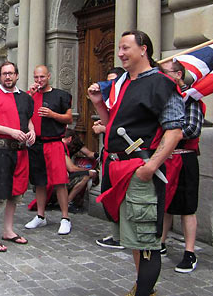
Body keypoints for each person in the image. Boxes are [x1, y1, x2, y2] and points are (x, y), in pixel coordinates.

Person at [88, 30, 184, 296]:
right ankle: (143, 289)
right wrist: (99, 103)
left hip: (139, 170)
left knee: (146, 240)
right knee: (133, 238)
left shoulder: (162, 83)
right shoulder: (124, 83)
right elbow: (112, 126)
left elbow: (175, 130)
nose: (120, 53)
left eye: (126, 48)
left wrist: (150, 167)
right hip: (119, 169)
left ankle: (144, 292)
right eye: (119, 48)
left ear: (144, 49)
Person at [0, 61, 35, 252]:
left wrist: (32, 131)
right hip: (0, 151)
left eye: (11, 73)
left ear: (17, 75)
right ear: (0, 76)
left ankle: (8, 230)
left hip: (20, 152)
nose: (8, 77)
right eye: (4, 73)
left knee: (15, 193)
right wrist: (10, 131)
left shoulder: (26, 98)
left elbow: (28, 121)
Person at [159, 60, 205, 273]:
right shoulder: (164, 96)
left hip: (184, 157)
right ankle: (161, 243)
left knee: (187, 207)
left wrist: (167, 137)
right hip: (165, 158)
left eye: (165, 72)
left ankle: (189, 252)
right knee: (165, 203)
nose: (161, 76)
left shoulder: (191, 97)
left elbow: (192, 128)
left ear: (178, 74)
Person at [24, 65, 74, 235]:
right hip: (36, 143)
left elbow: (69, 118)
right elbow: (20, 112)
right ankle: (40, 215)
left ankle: (65, 218)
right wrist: (28, 95)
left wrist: (53, 115)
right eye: (36, 77)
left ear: (49, 76)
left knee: (60, 181)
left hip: (54, 142)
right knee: (39, 182)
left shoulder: (61, 95)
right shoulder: (30, 96)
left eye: (42, 77)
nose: (39, 81)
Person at [94, 67, 126, 250]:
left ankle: (124, 237)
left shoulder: (126, 101)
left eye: (113, 82)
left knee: (121, 197)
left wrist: (104, 129)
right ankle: (117, 235)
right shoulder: (110, 100)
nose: (109, 86)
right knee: (109, 195)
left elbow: (126, 129)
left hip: (124, 158)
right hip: (109, 155)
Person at [61, 129, 98, 213]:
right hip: (57, 183)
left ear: (69, 139)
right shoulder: (61, 146)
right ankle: (67, 203)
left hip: (62, 176)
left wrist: (98, 155)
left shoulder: (75, 143)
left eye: (63, 138)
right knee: (86, 175)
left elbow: (89, 153)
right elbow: (72, 168)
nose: (61, 140)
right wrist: (89, 171)